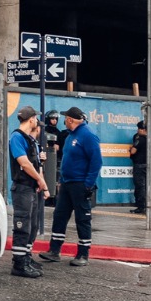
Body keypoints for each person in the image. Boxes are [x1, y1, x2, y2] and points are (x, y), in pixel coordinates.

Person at [39, 106, 101, 266]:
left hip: (80, 184)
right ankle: (54, 250)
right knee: (59, 216)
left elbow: (96, 162)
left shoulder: (88, 135)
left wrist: (88, 184)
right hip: (66, 184)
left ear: (70, 120)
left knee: (82, 218)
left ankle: (83, 254)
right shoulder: (70, 136)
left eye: (66, 118)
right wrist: (61, 182)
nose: (64, 120)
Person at [8, 107, 49, 278]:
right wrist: (40, 181)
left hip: (31, 188)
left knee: (32, 226)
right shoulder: (16, 137)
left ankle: (25, 257)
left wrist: (41, 183)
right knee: (22, 226)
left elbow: (35, 164)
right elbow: (24, 163)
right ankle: (19, 264)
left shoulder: (29, 140)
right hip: (23, 188)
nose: (37, 122)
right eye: (35, 119)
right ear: (31, 120)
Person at [129, 120, 148, 214]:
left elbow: (133, 151)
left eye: (139, 129)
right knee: (145, 186)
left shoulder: (139, 139)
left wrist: (130, 149)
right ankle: (145, 205)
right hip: (147, 165)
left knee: (140, 186)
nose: (138, 130)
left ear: (143, 129)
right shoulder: (150, 139)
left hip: (139, 165)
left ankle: (141, 206)